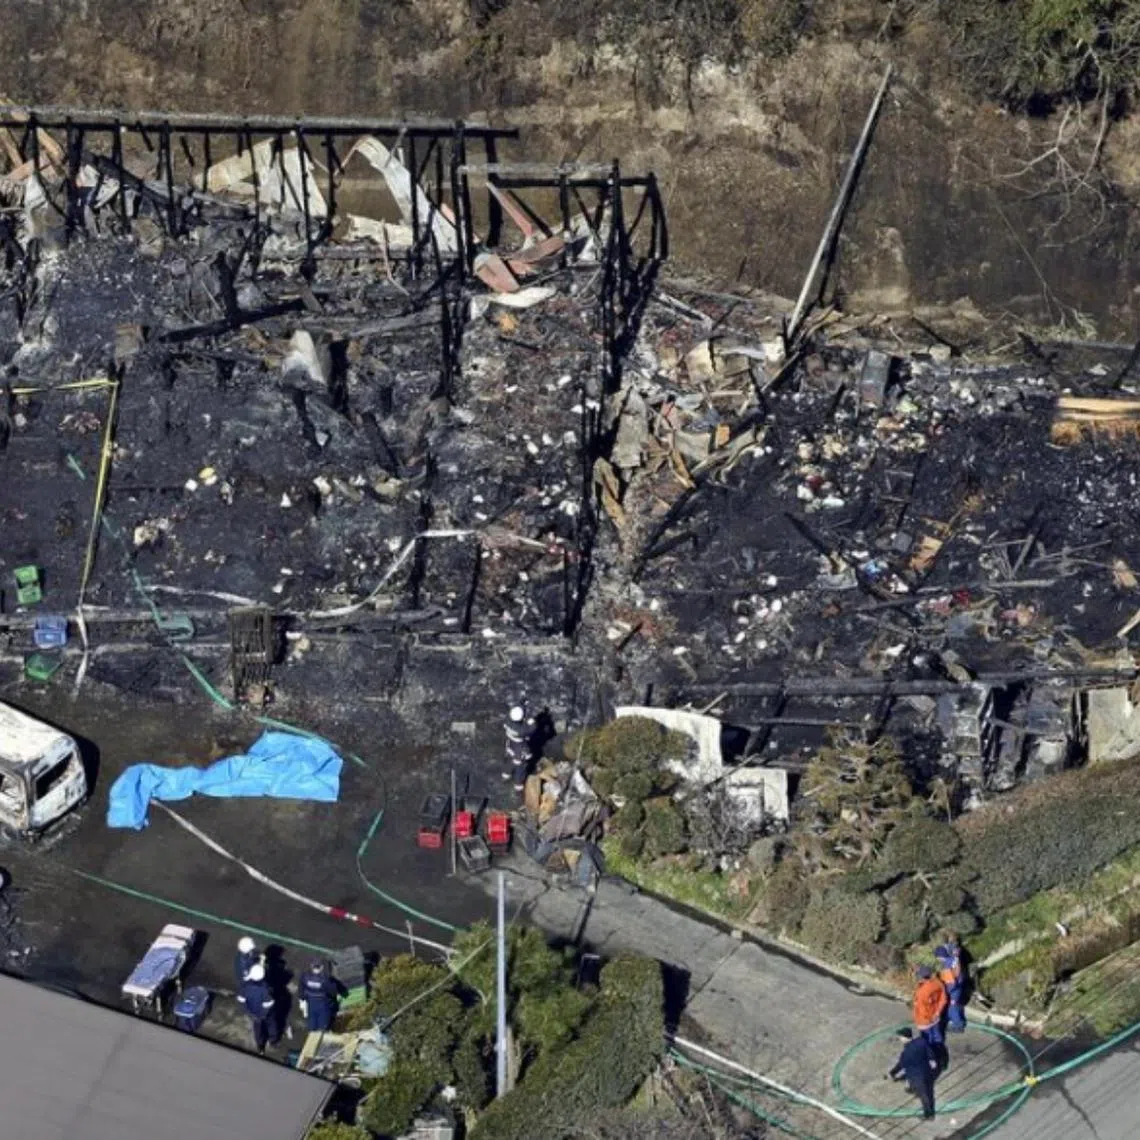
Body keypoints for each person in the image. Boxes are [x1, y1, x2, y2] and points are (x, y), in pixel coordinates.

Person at [887, 1028, 937, 1119]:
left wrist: (892, 1073)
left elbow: (901, 1065)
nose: (900, 1039)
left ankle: (929, 1115)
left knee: (924, 1095)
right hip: (927, 1072)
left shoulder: (907, 1052)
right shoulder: (921, 1041)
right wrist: (932, 1060)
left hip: (917, 1077)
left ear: (905, 1037)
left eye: (901, 1037)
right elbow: (929, 1051)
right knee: (928, 1092)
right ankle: (912, 1089)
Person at [913, 963, 949, 1067]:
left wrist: (921, 1019)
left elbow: (921, 1008)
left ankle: (932, 1061)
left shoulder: (922, 992)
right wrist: (937, 1012)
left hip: (925, 1021)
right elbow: (943, 999)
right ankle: (942, 1059)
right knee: (938, 1039)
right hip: (935, 1017)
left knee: (927, 1043)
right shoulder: (938, 983)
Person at [237, 962, 277, 1055]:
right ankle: (273, 1041)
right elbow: (269, 1003)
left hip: (254, 1014)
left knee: (258, 1030)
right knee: (272, 1026)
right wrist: (263, 1014)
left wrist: (249, 1012)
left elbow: (241, 1001)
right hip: (266, 1014)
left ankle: (260, 1047)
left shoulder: (245, 986)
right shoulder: (265, 989)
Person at [298, 959, 340, 1033]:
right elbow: (333, 992)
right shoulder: (325, 979)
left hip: (311, 1001)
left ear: (311, 966)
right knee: (323, 1020)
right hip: (323, 1002)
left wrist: (302, 998)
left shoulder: (305, 976)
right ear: (321, 967)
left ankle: (312, 1031)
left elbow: (301, 987)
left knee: (312, 1018)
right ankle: (322, 1033)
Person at [935, 935, 967, 1033]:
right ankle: (951, 1019)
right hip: (959, 984)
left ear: (940, 957)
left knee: (953, 1007)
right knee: (954, 1005)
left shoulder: (947, 967)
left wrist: (944, 991)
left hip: (954, 989)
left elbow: (951, 983)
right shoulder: (953, 958)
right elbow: (952, 949)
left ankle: (958, 1026)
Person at [503, 702, 536, 791]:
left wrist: (522, 706)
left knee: (509, 760)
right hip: (520, 749)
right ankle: (518, 784)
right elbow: (532, 728)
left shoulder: (507, 721)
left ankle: (506, 774)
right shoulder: (522, 730)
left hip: (510, 744)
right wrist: (530, 719)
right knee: (520, 768)